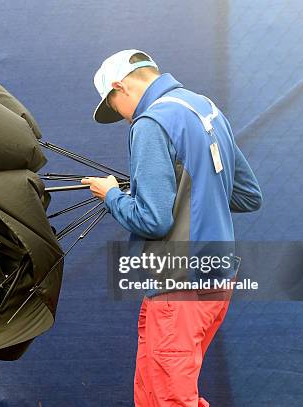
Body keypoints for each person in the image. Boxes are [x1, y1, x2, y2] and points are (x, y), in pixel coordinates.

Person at [81, 49, 263, 406]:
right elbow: (247, 196)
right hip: (215, 280)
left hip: (178, 287)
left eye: (113, 106)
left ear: (120, 86)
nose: (120, 116)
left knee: (169, 400)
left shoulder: (149, 123)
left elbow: (153, 220)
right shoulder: (204, 106)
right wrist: (180, 190)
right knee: (152, 395)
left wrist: (113, 196)